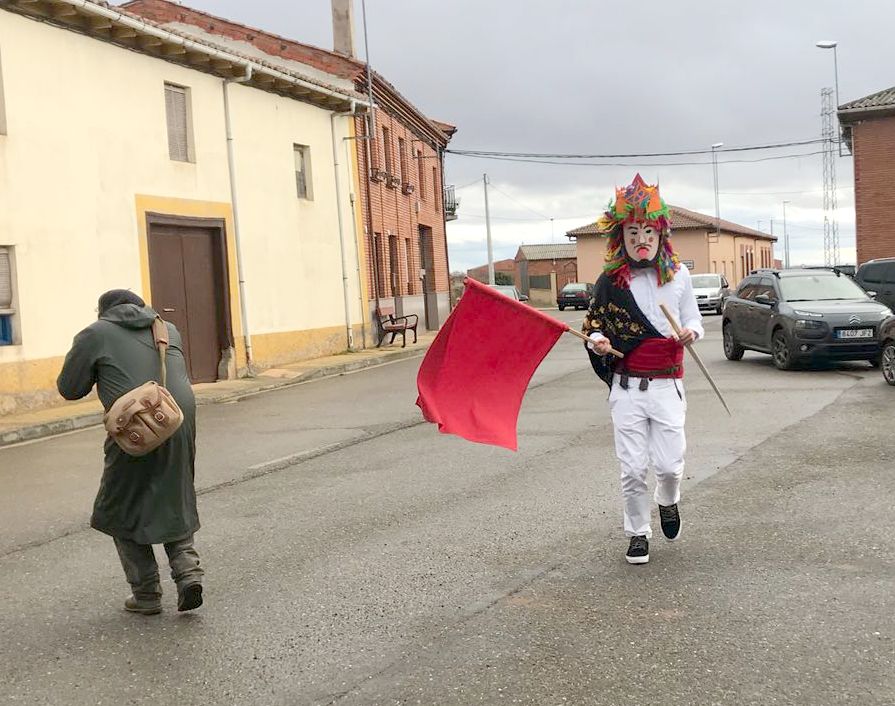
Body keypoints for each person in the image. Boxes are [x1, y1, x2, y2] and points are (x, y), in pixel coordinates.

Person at [57, 289, 204, 613]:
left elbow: (69, 388)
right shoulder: (166, 328)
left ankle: (147, 594)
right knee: (173, 495)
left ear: (103, 312)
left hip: (135, 431)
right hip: (177, 422)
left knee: (118, 508)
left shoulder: (95, 334)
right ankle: (188, 572)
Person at [582, 175, 703, 565]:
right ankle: (637, 532)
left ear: (661, 232)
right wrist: (597, 341)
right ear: (622, 236)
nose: (641, 239)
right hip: (627, 388)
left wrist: (690, 333)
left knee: (669, 466)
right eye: (633, 231)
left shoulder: (679, 275)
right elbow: (593, 326)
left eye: (648, 230)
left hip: (668, 386)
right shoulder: (609, 282)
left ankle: (668, 500)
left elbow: (694, 320)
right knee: (632, 469)